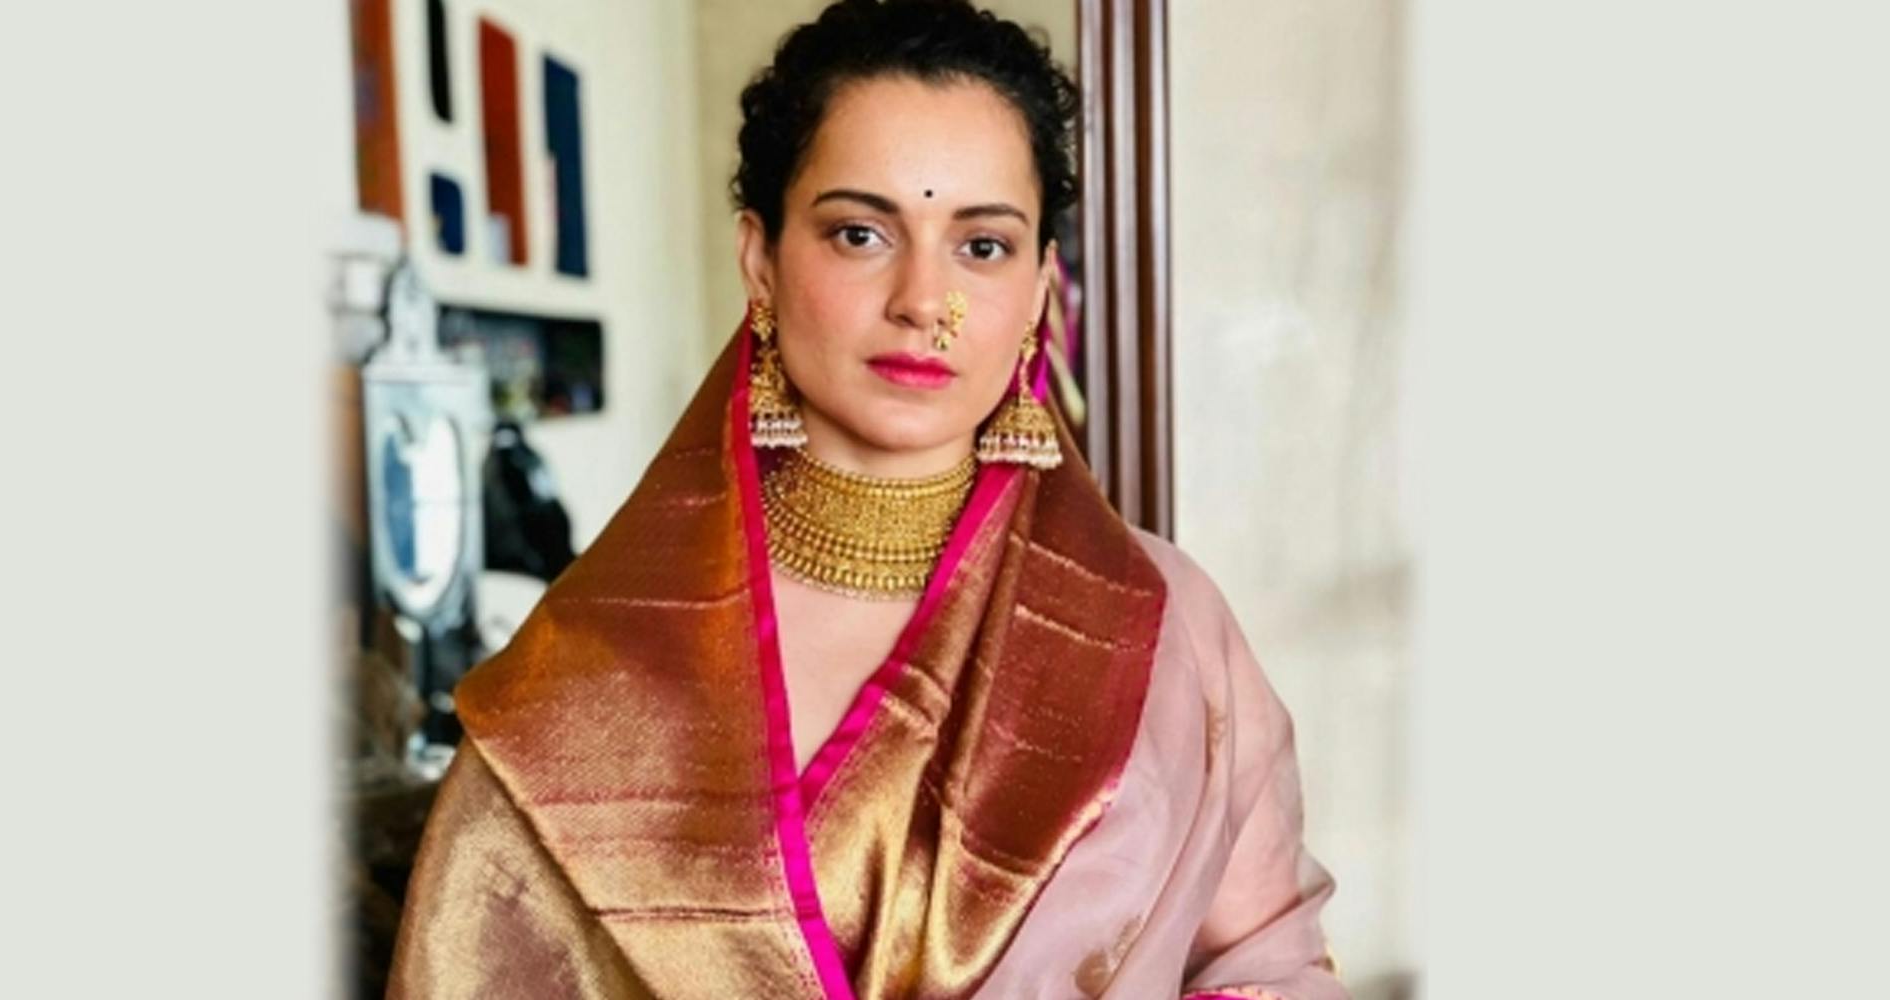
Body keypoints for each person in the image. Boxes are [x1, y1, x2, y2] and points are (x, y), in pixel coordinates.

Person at [387, 1, 1346, 997]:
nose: (923, 301)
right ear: (759, 260)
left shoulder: (1162, 624)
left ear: (1039, 286)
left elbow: (1274, 964)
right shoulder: (583, 684)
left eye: (982, 246)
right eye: (861, 233)